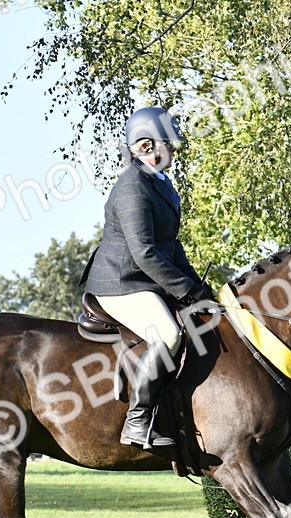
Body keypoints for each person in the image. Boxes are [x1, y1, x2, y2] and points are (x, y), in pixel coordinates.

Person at [82, 106, 213, 449]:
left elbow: (171, 246)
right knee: (169, 334)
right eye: (168, 144)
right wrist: (184, 290)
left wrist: (199, 288)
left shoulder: (162, 185)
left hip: (145, 281)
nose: (172, 151)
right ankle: (137, 422)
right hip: (121, 283)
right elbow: (144, 253)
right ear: (145, 146)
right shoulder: (132, 188)